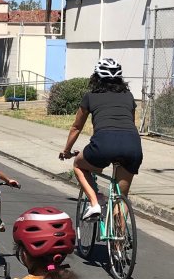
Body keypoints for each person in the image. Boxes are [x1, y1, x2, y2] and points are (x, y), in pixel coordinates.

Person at [59, 57, 143, 220]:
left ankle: (95, 202)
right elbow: (130, 124)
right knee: (122, 198)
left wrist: (67, 151)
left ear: (96, 78)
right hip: (132, 145)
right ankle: (119, 242)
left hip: (104, 144)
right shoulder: (128, 96)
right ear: (120, 79)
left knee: (78, 165)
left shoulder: (90, 96)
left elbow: (76, 127)